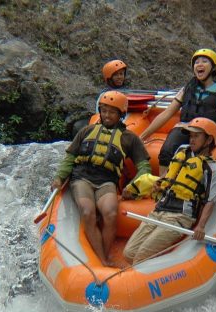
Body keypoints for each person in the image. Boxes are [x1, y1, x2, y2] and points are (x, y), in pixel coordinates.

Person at [51, 91, 151, 266]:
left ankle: (102, 255)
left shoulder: (130, 139)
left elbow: (144, 166)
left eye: (112, 112)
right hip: (81, 177)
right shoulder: (87, 131)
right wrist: (59, 177)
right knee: (88, 211)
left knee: (111, 213)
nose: (107, 115)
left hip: (107, 180)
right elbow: (70, 158)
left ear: (121, 114)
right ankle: (103, 261)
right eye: (104, 111)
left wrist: (136, 185)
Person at [123, 117, 216, 264]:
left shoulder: (212, 168)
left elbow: (210, 200)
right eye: (190, 136)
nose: (192, 139)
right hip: (159, 210)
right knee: (128, 254)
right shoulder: (182, 152)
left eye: (196, 136)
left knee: (140, 257)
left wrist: (201, 226)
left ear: (208, 141)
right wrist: (161, 182)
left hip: (179, 217)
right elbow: (170, 173)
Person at [139, 48, 216, 175]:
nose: (199, 64)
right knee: (166, 152)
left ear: (213, 68)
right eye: (196, 62)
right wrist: (143, 136)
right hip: (185, 128)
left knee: (193, 155)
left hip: (205, 131)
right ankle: (163, 184)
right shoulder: (188, 88)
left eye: (204, 61)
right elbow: (167, 113)